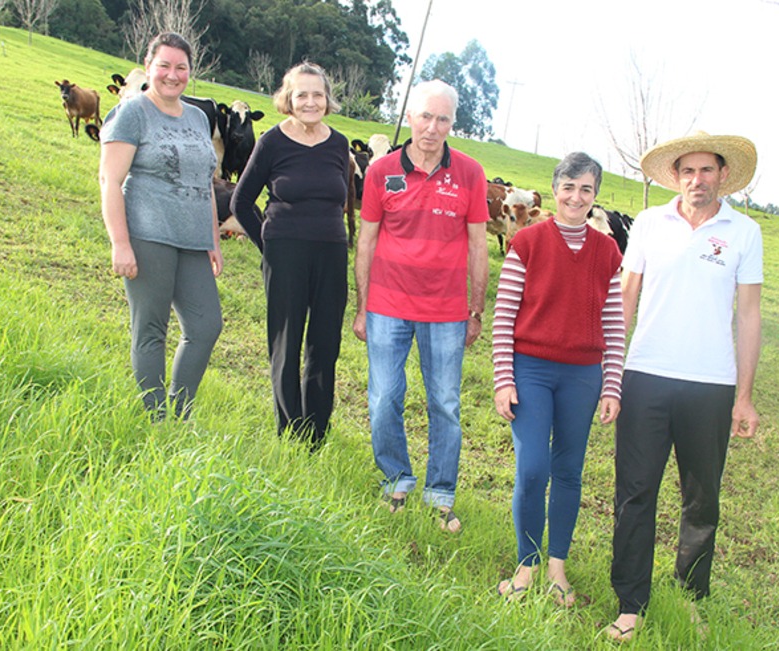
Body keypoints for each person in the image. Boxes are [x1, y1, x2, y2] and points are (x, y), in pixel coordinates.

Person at [608, 131, 762, 641]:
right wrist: (613, 373)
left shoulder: (743, 232)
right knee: (635, 493)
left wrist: (743, 395)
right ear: (676, 177)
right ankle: (631, 600)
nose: (698, 180)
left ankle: (691, 594)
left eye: (707, 171)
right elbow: (625, 299)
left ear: (722, 175)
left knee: (702, 500)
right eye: (688, 171)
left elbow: (750, 314)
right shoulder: (650, 224)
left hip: (711, 386)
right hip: (645, 377)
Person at [352, 79, 489, 533]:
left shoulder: (470, 173)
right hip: (387, 304)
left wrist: (476, 309)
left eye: (443, 118)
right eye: (426, 116)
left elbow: (478, 247)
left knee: (445, 403)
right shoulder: (380, 171)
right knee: (384, 397)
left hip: (447, 310)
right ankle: (396, 478)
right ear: (409, 116)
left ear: (453, 123)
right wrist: (361, 306)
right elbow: (366, 240)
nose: (433, 127)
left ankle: (440, 493)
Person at [491, 152, 624, 604]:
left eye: (586, 189)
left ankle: (557, 569)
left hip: (583, 375)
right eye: (569, 187)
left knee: (568, 471)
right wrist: (503, 379)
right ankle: (526, 564)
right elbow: (504, 315)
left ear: (595, 196)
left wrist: (612, 384)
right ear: (555, 190)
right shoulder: (527, 242)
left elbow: (613, 324)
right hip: (531, 369)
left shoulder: (607, 252)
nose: (576, 196)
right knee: (532, 469)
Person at [98, 32, 224, 421]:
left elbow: (206, 182)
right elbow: (109, 181)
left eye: (181, 67)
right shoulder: (133, 112)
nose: (173, 74)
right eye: (164, 65)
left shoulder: (198, 117)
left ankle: (179, 411)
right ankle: (155, 419)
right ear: (149, 67)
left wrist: (213, 239)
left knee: (206, 326)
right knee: (151, 328)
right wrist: (120, 243)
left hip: (193, 240)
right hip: (147, 234)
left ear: (190, 72)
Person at [231, 62, 351, 451]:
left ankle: (316, 434)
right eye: (302, 94)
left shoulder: (340, 144)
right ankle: (291, 430)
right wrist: (269, 249)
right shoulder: (271, 141)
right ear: (288, 98)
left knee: (325, 342)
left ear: (327, 99)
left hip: (332, 253)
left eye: (318, 94)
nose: (310, 101)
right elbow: (241, 201)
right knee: (286, 342)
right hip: (285, 252)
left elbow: (343, 201)